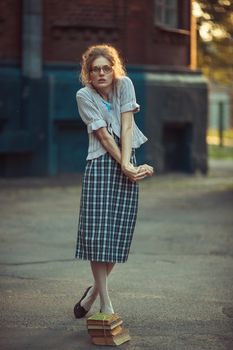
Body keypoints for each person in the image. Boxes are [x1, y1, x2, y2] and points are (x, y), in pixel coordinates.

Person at [74, 44, 154, 318]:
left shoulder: (125, 85)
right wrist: (126, 165)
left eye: (106, 67)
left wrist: (128, 164)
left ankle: (94, 291)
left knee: (117, 235)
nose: (101, 73)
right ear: (88, 74)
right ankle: (105, 302)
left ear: (114, 68)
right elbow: (104, 137)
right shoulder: (83, 95)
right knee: (99, 236)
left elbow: (127, 125)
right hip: (100, 166)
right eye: (95, 69)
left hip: (125, 162)